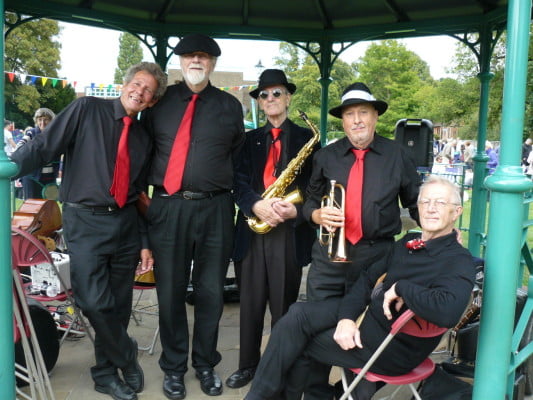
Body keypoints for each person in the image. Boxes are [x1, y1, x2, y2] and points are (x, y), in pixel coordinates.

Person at [10, 61, 168, 400]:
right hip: (85, 221)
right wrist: (9, 168)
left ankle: (105, 373)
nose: (140, 92)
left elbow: (140, 191)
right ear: (125, 83)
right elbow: (43, 147)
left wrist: (143, 241)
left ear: (152, 102)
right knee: (93, 301)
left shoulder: (142, 136)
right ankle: (126, 354)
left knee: (120, 305)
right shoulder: (86, 109)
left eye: (149, 91)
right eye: (138, 84)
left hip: (126, 223)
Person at [244, 176, 476, 400]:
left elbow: (448, 311)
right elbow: (367, 280)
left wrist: (400, 288)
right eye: (425, 201)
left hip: (393, 347)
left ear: (456, 212)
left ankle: (268, 396)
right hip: (372, 319)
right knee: (297, 314)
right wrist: (347, 318)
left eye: (441, 202)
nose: (431, 208)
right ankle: (264, 395)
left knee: (297, 341)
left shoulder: (458, 259)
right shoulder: (408, 242)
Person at [300, 82, 421, 398]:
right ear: (343, 120)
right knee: (315, 324)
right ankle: (315, 392)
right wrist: (316, 216)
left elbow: (415, 202)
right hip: (329, 257)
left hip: (376, 256)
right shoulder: (326, 157)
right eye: (350, 114)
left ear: (375, 117)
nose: (357, 120)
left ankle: (353, 390)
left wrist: (440, 231)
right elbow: (309, 201)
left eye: (363, 113)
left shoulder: (397, 155)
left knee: (371, 328)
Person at [141, 34, 245, 399]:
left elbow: (236, 156)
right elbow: (143, 155)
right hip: (168, 208)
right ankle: (173, 367)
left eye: (203, 56)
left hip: (216, 208)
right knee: (169, 292)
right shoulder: (159, 103)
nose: (196, 61)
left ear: (213, 63)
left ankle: (204, 363)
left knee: (211, 292)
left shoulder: (231, 106)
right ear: (180, 62)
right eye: (189, 56)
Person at [228, 69, 319, 389]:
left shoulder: (307, 139)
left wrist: (295, 207)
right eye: (263, 95)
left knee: (284, 306)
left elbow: (316, 185)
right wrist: (255, 204)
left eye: (276, 93)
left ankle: (279, 368)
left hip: (288, 230)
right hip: (253, 228)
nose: (269, 99)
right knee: (250, 304)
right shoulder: (248, 139)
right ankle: (247, 365)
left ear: (288, 97)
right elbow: (237, 181)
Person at [17, 108, 61, 199]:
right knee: (31, 205)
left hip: (50, 177)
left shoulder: (56, 135)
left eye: (46, 119)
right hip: (31, 177)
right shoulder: (31, 133)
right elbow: (20, 146)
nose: (42, 122)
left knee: (49, 205)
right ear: (36, 121)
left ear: (51, 121)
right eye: (40, 119)